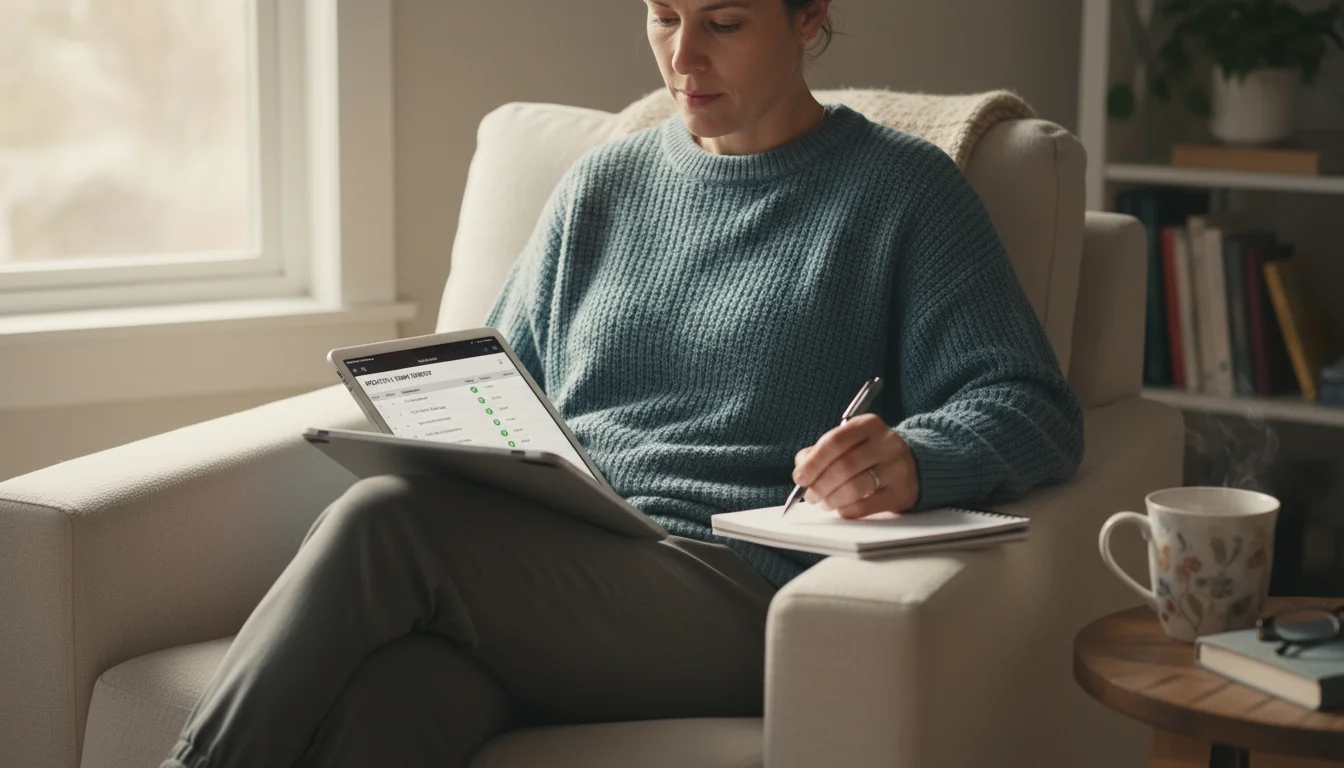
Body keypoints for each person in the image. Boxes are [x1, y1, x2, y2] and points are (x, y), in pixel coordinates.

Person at [161, 1, 1083, 766]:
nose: (684, 56)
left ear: (810, 18)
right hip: (566, 562)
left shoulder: (903, 193)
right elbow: (502, 378)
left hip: (738, 586)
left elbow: (1030, 404)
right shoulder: (602, 185)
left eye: (723, 21)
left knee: (383, 523)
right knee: (392, 703)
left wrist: (913, 458)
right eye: (663, 15)